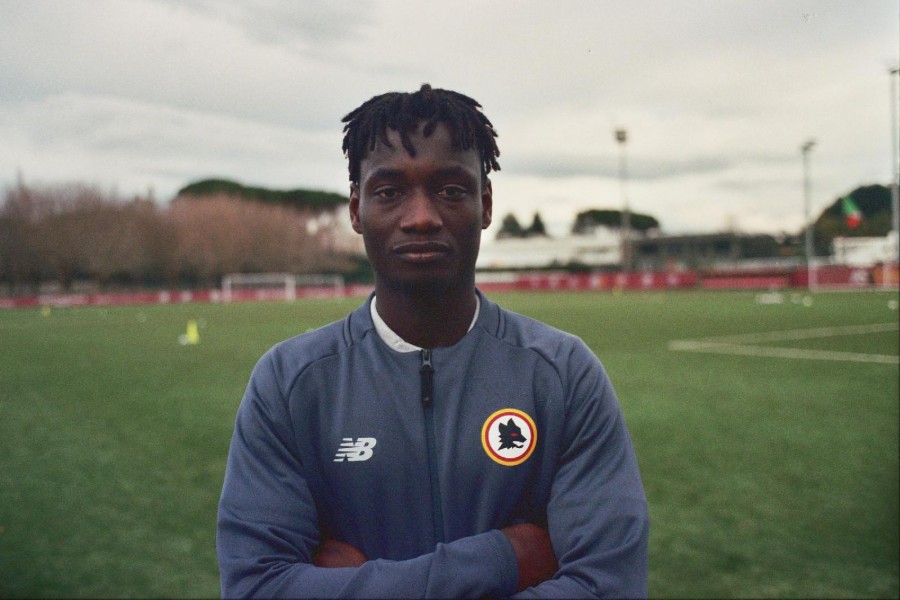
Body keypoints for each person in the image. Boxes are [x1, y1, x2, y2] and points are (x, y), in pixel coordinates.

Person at [217, 84, 649, 598]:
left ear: (484, 204)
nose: (421, 216)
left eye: (450, 190)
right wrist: (502, 559)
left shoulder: (563, 374)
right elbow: (255, 587)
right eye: (389, 191)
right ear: (356, 210)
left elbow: (608, 587)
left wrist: (353, 585)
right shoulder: (290, 384)